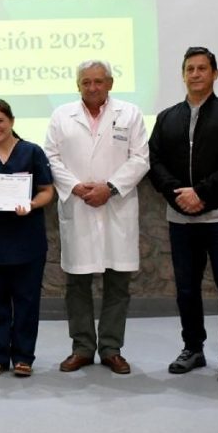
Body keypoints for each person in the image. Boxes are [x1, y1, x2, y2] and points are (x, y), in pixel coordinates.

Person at [148, 47, 218, 383]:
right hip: (181, 220)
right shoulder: (166, 118)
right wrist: (180, 195)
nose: (195, 74)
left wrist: (201, 194)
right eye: (190, 69)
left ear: (214, 74)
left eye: (202, 68)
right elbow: (155, 162)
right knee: (187, 291)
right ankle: (193, 348)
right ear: (183, 74)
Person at [44, 60, 149, 375]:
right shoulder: (62, 116)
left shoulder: (129, 114)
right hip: (78, 207)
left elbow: (141, 157)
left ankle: (111, 348)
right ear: (78, 85)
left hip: (116, 206)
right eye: (86, 82)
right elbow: (50, 156)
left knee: (118, 284)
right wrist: (76, 187)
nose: (92, 87)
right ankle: (82, 347)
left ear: (110, 83)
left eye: (99, 81)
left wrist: (111, 188)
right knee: (77, 284)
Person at [0, 99, 54, 378]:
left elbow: (47, 190)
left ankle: (24, 356)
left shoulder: (32, 152)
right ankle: (0, 356)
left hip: (27, 241)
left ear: (11, 121)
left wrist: (32, 204)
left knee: (27, 300)